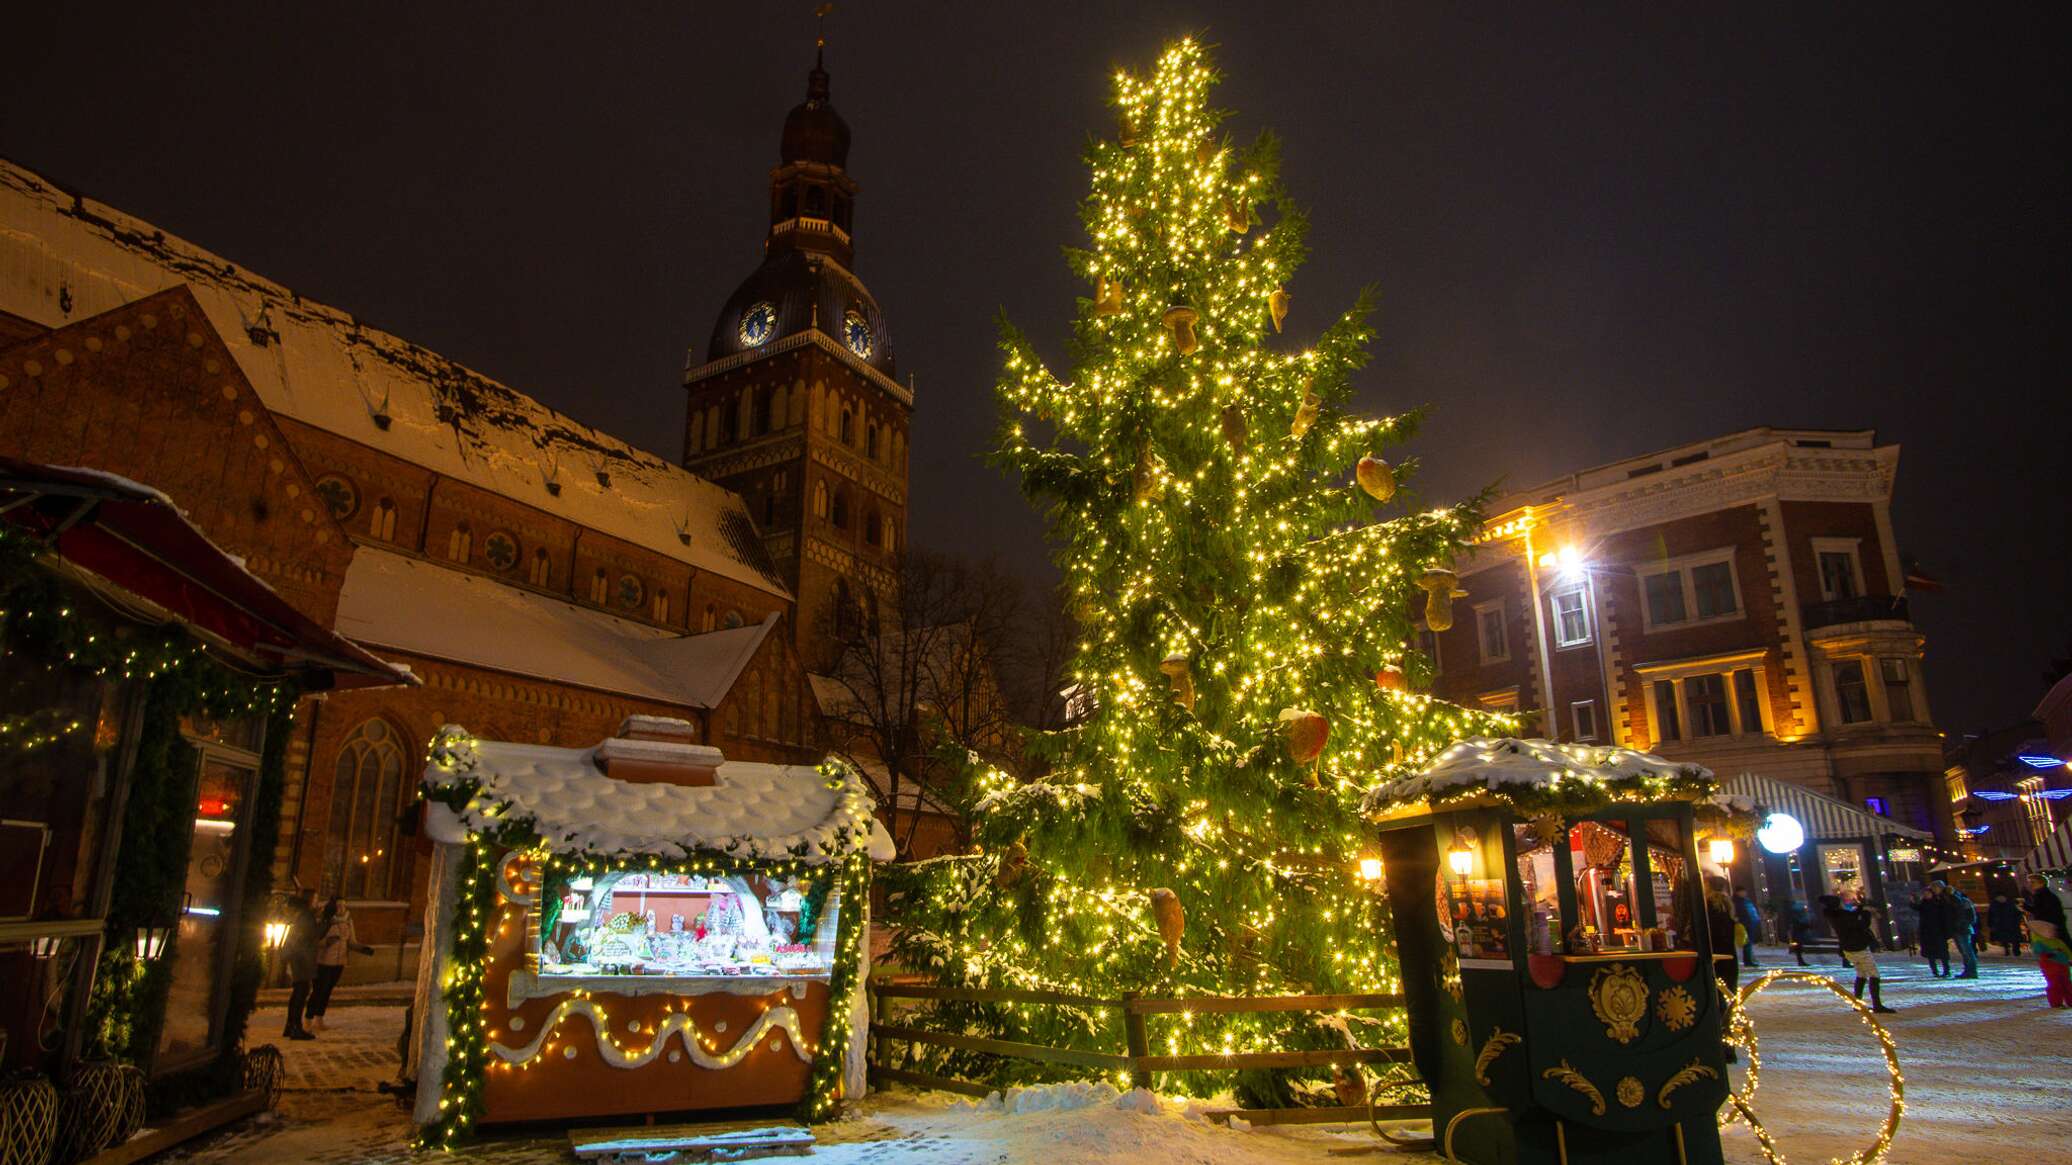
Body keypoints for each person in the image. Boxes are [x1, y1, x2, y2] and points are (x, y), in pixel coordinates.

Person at [306, 895, 373, 1032]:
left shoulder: (348, 921)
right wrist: (326, 942)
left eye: (343, 905)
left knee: (328, 991)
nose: (341, 908)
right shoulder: (325, 921)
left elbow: (351, 941)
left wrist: (363, 949)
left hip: (339, 962)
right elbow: (314, 941)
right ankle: (308, 1019)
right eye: (338, 906)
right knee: (319, 990)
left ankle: (319, 1018)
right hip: (324, 961)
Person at [1824, 888, 1896, 1013]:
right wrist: (1866, 914)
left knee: (1861, 974)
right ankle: (1877, 1004)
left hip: (1849, 948)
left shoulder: (1836, 915)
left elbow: (1853, 916)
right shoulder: (1842, 916)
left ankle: (1857, 1003)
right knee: (1874, 975)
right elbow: (1860, 925)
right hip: (1857, 947)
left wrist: (1861, 909)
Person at [1705, 877, 1740, 1060]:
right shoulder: (1728, 906)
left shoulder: (1710, 906)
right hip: (1730, 959)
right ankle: (1728, 1046)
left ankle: (1723, 1048)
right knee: (1727, 1002)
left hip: (1716, 959)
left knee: (1718, 1004)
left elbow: (1710, 934)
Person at [281, 888, 320, 1040]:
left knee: (298, 991)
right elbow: (314, 934)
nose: (317, 902)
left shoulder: (300, 914)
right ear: (309, 900)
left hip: (297, 956)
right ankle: (295, 1027)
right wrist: (326, 920)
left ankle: (290, 1025)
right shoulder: (306, 916)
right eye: (315, 899)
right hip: (302, 957)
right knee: (301, 992)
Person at [1941, 880, 1981, 978]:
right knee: (1965, 952)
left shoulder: (1961, 901)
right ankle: (1968, 971)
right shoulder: (1954, 902)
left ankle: (1971, 971)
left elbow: (1971, 916)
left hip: (1963, 929)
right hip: (1960, 928)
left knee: (1967, 951)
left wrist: (1962, 924)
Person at [2031, 919, 2072, 1008]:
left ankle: (2068, 1001)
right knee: (2055, 984)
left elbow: (2067, 951)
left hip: (2062, 965)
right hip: (2051, 965)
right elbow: (2038, 952)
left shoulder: (2058, 941)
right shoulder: (2040, 942)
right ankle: (2056, 1003)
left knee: (2066, 984)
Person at [1915, 883, 1951, 978]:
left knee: (1942, 952)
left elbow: (1944, 916)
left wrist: (1946, 930)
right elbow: (1916, 907)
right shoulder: (1923, 904)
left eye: (1928, 893)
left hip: (1938, 931)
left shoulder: (1938, 903)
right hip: (1927, 932)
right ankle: (1934, 971)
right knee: (1930, 953)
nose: (1926, 895)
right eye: (1925, 894)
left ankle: (1946, 970)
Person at [1732, 888, 1764, 967]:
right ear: (1738, 892)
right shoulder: (1736, 901)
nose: (1744, 893)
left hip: (1749, 923)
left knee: (1749, 943)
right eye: (1742, 892)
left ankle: (1749, 959)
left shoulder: (1745, 900)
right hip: (1743, 924)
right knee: (1747, 943)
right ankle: (1748, 961)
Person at [1987, 893, 2026, 957]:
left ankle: (2007, 950)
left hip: (2000, 924)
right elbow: (2018, 913)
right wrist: (2017, 922)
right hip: (2012, 924)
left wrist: (1990, 924)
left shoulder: (1994, 904)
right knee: (2014, 938)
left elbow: (1990, 915)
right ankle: (2016, 951)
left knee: (2004, 937)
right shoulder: (2011, 903)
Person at [1784, 898, 1815, 967]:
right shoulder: (1796, 913)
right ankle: (1800, 961)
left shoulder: (1794, 912)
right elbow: (1799, 922)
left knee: (1798, 946)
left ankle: (1800, 960)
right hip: (1798, 931)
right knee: (1798, 946)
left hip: (1797, 931)